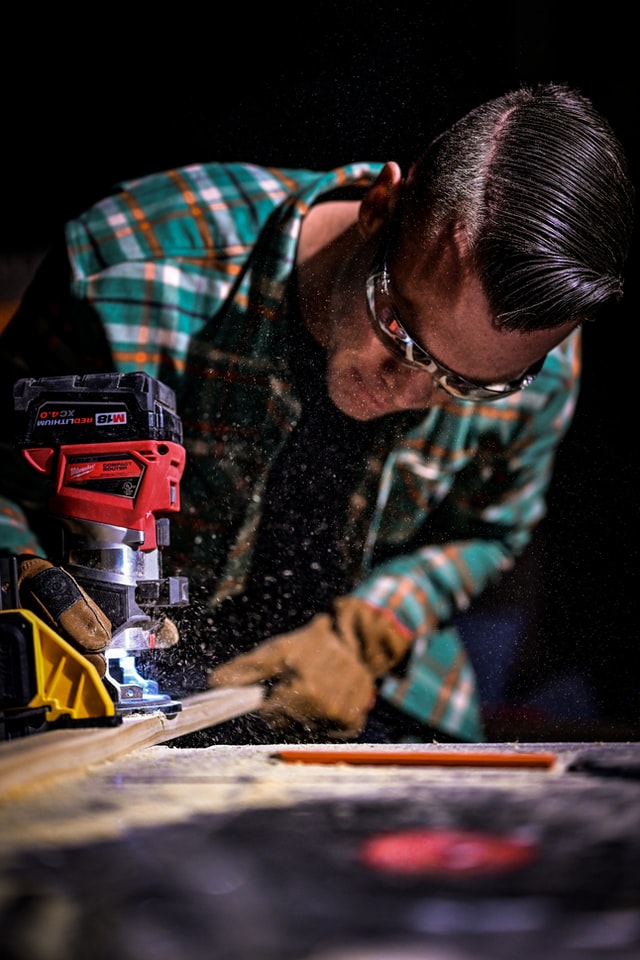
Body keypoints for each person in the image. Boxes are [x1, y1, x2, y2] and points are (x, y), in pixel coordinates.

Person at [0, 82, 634, 745]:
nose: (408, 391)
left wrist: (365, 633)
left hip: (375, 697)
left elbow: (489, 533)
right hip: (107, 698)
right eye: (401, 332)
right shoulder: (125, 272)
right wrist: (17, 569)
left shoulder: (540, 366)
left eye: (464, 384)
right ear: (380, 207)